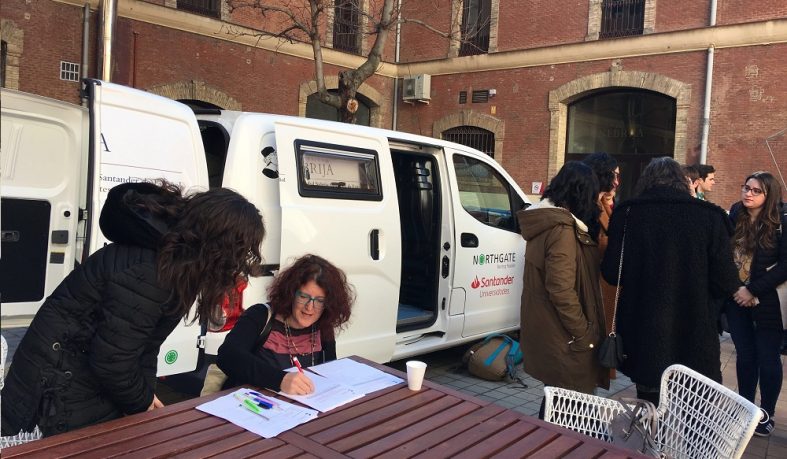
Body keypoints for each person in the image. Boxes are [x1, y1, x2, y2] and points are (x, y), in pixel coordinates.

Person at [1, 181, 265, 437]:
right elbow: (112, 361)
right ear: (220, 245)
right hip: (58, 381)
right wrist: (141, 402)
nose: (239, 262)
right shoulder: (151, 271)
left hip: (82, 375)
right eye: (240, 251)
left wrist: (145, 397)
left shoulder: (173, 263)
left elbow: (146, 346)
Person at [601, 157, 739, 404]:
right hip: (695, 327)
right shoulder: (709, 216)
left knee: (649, 403)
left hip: (643, 328)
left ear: (646, 181)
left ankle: (653, 442)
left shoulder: (628, 213)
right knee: (695, 407)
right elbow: (726, 281)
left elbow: (612, 273)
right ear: (683, 181)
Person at [517, 161, 608, 418]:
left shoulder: (546, 222)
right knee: (575, 410)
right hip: (565, 335)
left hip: (551, 330)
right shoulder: (561, 230)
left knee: (557, 402)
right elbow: (560, 288)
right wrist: (583, 332)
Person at [217, 254, 354, 395]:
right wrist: (279, 380)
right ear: (290, 293)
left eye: (319, 300)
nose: (310, 307)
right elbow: (227, 356)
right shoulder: (261, 315)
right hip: (251, 404)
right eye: (303, 297)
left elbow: (328, 371)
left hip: (301, 409)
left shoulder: (323, 326)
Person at [725, 171, 786, 437]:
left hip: (768, 300)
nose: (748, 193)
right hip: (736, 297)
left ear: (768, 194)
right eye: (746, 187)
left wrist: (752, 290)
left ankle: (766, 414)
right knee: (745, 355)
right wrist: (737, 290)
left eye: (756, 190)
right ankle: (746, 408)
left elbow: (785, 265)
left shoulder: (782, 220)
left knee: (767, 356)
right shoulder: (736, 213)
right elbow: (723, 253)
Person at [582, 153, 620, 378]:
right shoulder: (587, 208)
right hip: (592, 294)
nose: (617, 182)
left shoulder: (605, 206)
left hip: (603, 294)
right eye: (614, 175)